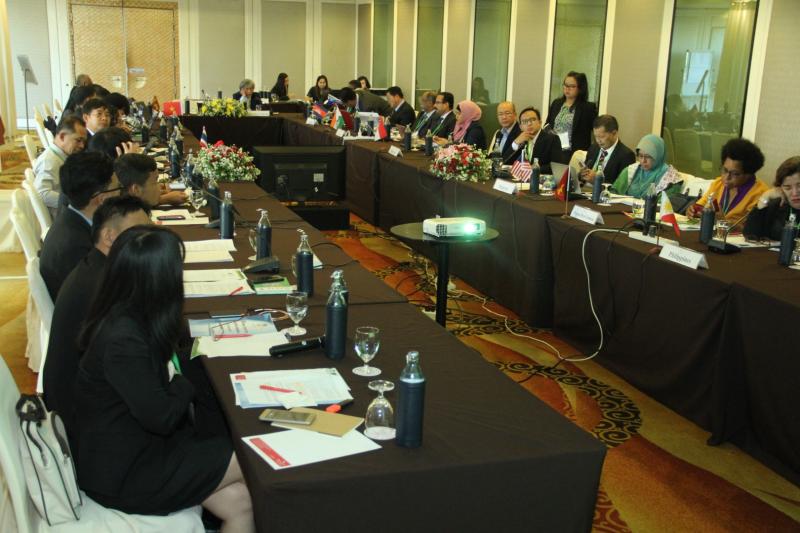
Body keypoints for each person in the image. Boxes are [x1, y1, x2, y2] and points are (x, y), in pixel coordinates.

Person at [72, 226, 254, 531]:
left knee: (241, 502)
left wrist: (174, 378)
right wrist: (180, 381)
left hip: (135, 449)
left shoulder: (123, 313)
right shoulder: (123, 340)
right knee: (255, 458)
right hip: (126, 473)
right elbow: (163, 417)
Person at [43, 196, 152, 430]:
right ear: (109, 236)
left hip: (82, 399)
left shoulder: (95, 266)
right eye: (139, 232)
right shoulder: (104, 289)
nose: (149, 240)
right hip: (88, 419)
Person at [39, 151, 121, 300]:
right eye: (118, 188)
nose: (120, 194)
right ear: (102, 199)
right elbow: (105, 297)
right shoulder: (77, 245)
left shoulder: (72, 219)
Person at [88, 127, 186, 205]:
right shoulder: (103, 183)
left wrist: (150, 188)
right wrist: (129, 163)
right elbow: (123, 205)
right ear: (120, 151)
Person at [686, 138, 769, 223]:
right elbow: (701, 205)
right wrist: (693, 211)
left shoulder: (761, 195)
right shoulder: (718, 183)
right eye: (725, 170)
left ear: (749, 174)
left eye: (735, 173)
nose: (727, 177)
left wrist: (722, 221)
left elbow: (751, 229)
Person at [33, 114, 88, 217]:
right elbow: (41, 193)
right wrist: (75, 203)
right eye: (78, 140)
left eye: (83, 141)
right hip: (64, 217)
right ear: (62, 136)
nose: (82, 146)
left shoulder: (61, 156)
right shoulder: (49, 160)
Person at [744, 156, 800, 241]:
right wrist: (765, 197)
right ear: (780, 188)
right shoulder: (777, 205)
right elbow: (750, 234)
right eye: (787, 187)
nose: (795, 193)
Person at [611, 134, 682, 197]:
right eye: (640, 156)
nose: (643, 161)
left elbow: (664, 204)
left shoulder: (670, 178)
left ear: (658, 156)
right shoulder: (631, 171)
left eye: (648, 157)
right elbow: (613, 193)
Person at [545, 71, 598, 154]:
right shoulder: (556, 103)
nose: (567, 89)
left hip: (574, 152)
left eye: (572, 86)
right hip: (554, 149)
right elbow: (548, 125)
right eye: (565, 85)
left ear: (580, 88)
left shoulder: (588, 108)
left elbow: (596, 131)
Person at [580, 115, 636, 186]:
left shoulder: (626, 155)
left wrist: (598, 181)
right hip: (584, 190)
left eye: (602, 137)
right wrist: (581, 174)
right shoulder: (593, 148)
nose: (598, 140)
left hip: (604, 192)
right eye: (595, 136)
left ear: (614, 133)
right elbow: (584, 174)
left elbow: (621, 187)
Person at [508, 106, 562, 175]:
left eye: (533, 120)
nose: (529, 124)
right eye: (525, 121)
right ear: (520, 127)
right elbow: (506, 161)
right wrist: (516, 143)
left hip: (541, 179)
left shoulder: (552, 139)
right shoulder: (521, 140)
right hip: (521, 179)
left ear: (540, 122)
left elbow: (556, 166)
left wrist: (533, 169)